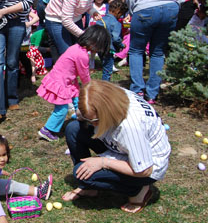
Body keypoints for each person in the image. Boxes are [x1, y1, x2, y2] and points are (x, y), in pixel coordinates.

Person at [61, 80, 171, 214]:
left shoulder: (130, 127)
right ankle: (89, 187)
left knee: (80, 174)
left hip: (147, 166)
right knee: (73, 128)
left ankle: (139, 190)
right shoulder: (113, 96)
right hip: (122, 146)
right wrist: (84, 115)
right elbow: (86, 112)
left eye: (94, 120)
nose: (91, 123)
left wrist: (103, 162)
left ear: (107, 112)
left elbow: (145, 169)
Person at [125, 0, 184, 103]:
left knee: (137, 50)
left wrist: (132, 11)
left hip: (145, 7)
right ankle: (152, 93)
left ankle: (137, 90)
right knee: (158, 51)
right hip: (170, 8)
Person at [37, 26, 110, 141]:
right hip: (61, 82)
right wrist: (91, 89)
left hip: (66, 80)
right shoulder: (82, 55)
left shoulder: (76, 47)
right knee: (62, 109)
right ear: (95, 42)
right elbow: (84, 75)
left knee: (77, 97)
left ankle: (80, 115)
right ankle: (47, 130)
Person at [96, 0, 128, 81]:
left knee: (104, 65)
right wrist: (122, 45)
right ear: (118, 12)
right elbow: (116, 38)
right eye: (121, 14)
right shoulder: (116, 23)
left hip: (99, 47)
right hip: (108, 49)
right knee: (108, 70)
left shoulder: (101, 20)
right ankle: (105, 87)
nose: (120, 17)